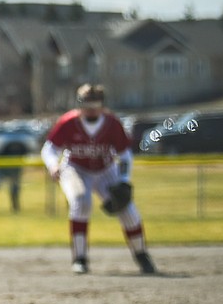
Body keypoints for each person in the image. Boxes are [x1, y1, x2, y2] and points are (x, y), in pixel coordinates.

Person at [41, 83, 157, 275]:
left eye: (95, 105)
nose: (91, 109)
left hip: (105, 169)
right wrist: (53, 164)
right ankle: (79, 259)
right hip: (76, 168)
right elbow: (49, 148)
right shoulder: (68, 122)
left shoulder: (112, 123)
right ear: (79, 104)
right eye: (87, 104)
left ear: (102, 105)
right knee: (81, 201)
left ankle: (142, 255)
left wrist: (124, 180)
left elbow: (125, 154)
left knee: (128, 211)